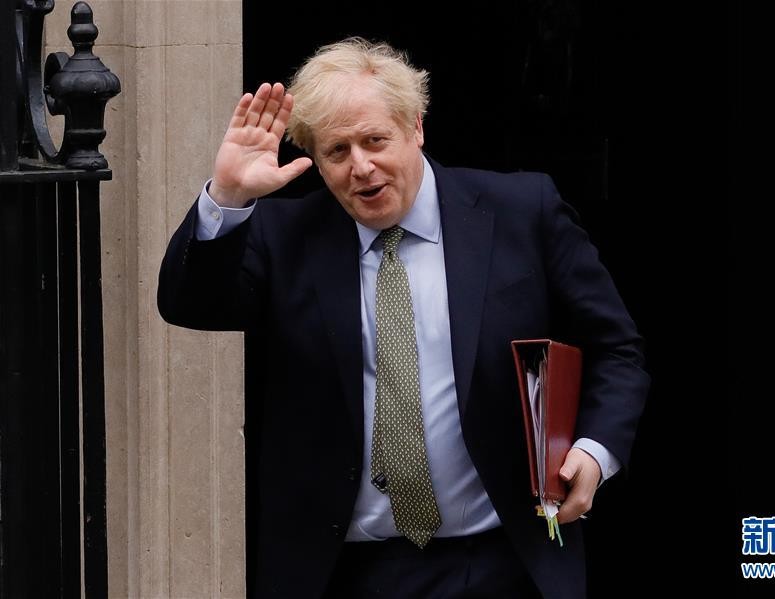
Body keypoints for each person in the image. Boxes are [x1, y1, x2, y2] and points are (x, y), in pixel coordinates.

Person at [158, 37, 649, 598]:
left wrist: (593, 451)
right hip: (345, 571)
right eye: (337, 151)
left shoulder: (521, 211)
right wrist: (228, 195)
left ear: (415, 127)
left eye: (375, 140)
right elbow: (189, 304)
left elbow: (618, 349)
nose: (361, 167)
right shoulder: (284, 236)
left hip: (504, 558)